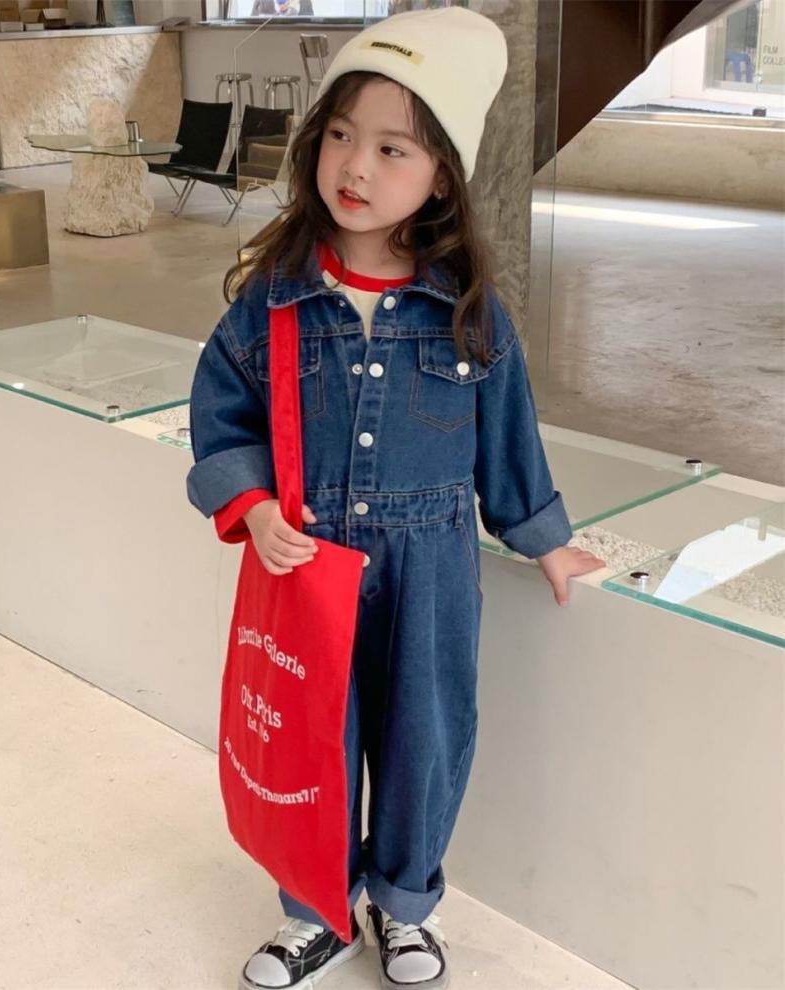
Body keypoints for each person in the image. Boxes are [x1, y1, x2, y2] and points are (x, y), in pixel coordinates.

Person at [185, 8, 605, 990]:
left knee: (425, 739)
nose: (355, 166)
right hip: (313, 563)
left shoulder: (466, 310)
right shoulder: (275, 296)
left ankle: (405, 906)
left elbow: (507, 435)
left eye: (391, 148)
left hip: (434, 571)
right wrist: (254, 508)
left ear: (441, 176)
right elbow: (222, 411)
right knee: (313, 740)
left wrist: (545, 538)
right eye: (340, 134)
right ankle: (315, 911)